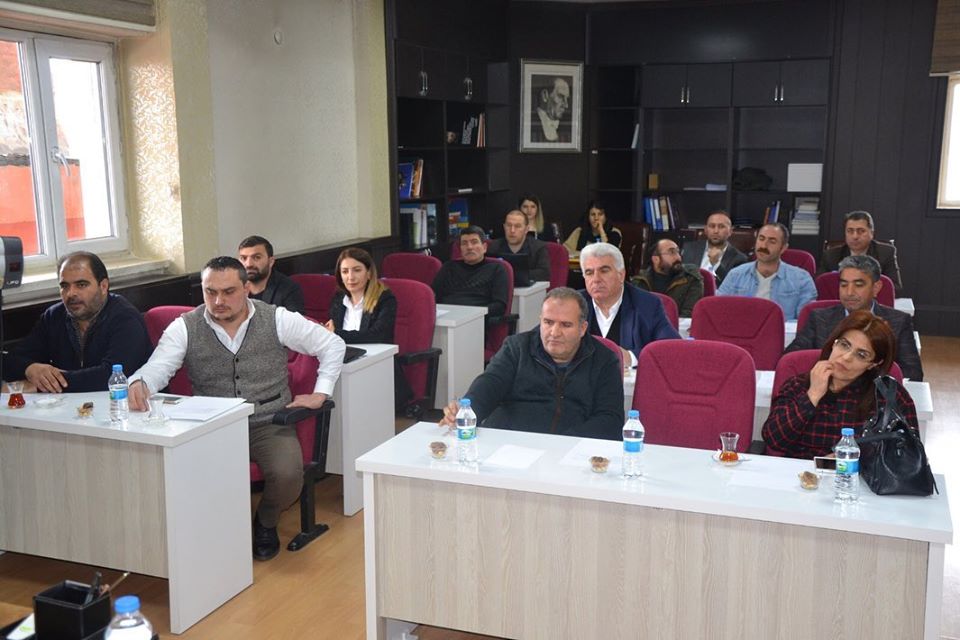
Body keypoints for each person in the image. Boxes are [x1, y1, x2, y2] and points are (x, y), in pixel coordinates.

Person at [127, 256, 346, 561]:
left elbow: (333, 345)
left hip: (268, 420)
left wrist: (321, 392)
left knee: (287, 475)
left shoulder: (277, 318)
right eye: (210, 292)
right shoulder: (185, 327)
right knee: (179, 470)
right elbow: (159, 367)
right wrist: (140, 383)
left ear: (246, 289)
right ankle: (204, 534)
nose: (218, 301)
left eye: (228, 291)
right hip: (211, 424)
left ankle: (266, 520)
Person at [438, 287, 623, 440]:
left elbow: (610, 420)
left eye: (565, 325)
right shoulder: (517, 348)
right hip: (510, 444)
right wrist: (467, 410)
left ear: (582, 328)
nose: (554, 332)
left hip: (571, 450)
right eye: (548, 322)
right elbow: (489, 385)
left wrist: (562, 443)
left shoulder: (604, 360)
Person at [762, 310, 919, 459]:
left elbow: (910, 454)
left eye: (861, 355)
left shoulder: (889, 395)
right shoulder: (798, 385)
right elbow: (774, 441)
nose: (846, 357)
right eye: (844, 345)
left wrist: (857, 460)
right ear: (833, 343)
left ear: (874, 364)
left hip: (862, 476)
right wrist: (812, 395)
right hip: (801, 473)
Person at [2, 251, 152, 393]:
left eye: (81, 285)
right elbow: (10, 361)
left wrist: (40, 386)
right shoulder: (54, 316)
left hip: (124, 404)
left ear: (103, 286)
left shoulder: (125, 318)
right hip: (72, 405)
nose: (71, 293)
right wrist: (30, 368)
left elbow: (111, 376)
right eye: (64, 286)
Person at [785, 255, 922, 380]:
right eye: (844, 285)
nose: (849, 292)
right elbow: (790, 361)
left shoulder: (898, 322)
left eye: (858, 285)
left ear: (876, 288)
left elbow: (912, 373)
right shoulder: (819, 318)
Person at [324, 247, 413, 409]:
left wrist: (336, 334)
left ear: (369, 273)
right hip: (345, 361)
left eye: (357, 270)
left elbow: (377, 335)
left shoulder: (385, 299)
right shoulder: (339, 299)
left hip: (377, 365)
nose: (350, 277)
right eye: (345, 271)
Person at [579, 242, 680, 367]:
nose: (596, 279)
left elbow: (673, 349)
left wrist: (630, 357)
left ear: (621, 275)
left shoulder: (647, 305)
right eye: (589, 273)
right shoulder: (573, 304)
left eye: (604, 271)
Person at [717, 223, 817, 320]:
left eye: (772, 241)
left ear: (783, 248)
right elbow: (718, 309)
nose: (764, 246)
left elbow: (805, 321)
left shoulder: (802, 280)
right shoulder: (735, 275)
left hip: (782, 330)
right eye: (761, 239)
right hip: (742, 329)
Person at [432, 226, 509, 324]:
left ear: (484, 247)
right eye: (464, 243)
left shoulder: (496, 269)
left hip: (476, 321)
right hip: (446, 319)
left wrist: (473, 314)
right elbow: (433, 296)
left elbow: (499, 306)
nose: (469, 247)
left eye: (474, 242)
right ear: (460, 248)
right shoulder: (448, 267)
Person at [820, 210, 903, 293]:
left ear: (871, 233)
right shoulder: (831, 256)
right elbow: (820, 285)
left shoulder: (885, 253)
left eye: (861, 231)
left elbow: (895, 287)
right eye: (850, 231)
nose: (855, 236)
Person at [631, 238, 704, 317]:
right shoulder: (640, 281)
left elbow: (688, 315)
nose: (678, 257)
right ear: (656, 259)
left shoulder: (691, 278)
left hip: (678, 324)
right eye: (672, 252)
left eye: (678, 252)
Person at [238, 235, 305, 313]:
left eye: (257, 257)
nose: (248, 264)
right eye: (244, 258)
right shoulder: (235, 287)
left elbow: (294, 320)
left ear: (271, 262)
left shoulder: (288, 288)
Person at [681, 210, 748, 284]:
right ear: (706, 230)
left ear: (730, 231)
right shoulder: (689, 248)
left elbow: (733, 284)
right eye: (712, 226)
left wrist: (716, 263)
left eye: (721, 227)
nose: (716, 231)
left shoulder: (739, 259)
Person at [486, 209, 551, 283]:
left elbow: (544, 273)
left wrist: (513, 275)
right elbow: (486, 271)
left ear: (526, 229)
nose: (512, 230)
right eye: (509, 225)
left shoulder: (538, 247)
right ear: (504, 227)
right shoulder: (494, 246)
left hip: (529, 289)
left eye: (517, 226)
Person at [532, 77, 571, 143]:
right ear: (545, 95)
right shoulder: (530, 123)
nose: (566, 105)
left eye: (567, 99)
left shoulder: (566, 126)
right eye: (561, 96)